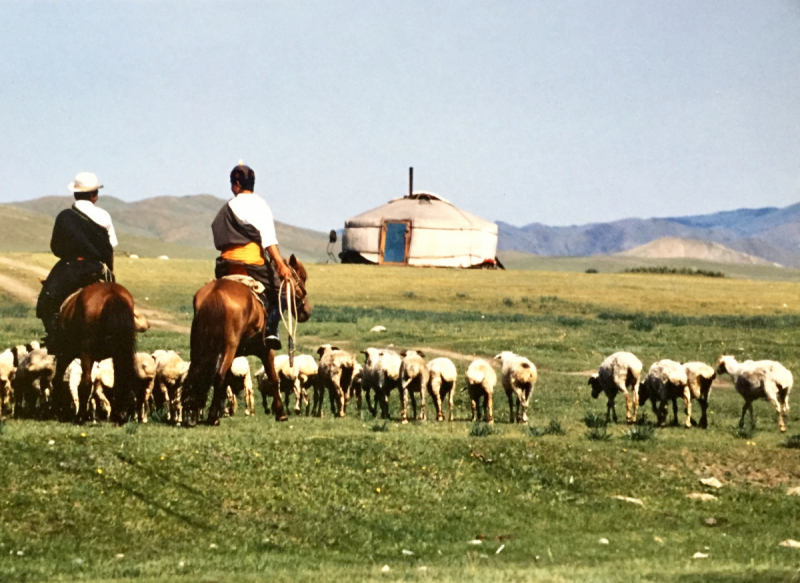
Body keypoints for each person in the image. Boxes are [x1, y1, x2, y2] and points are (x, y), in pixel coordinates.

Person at [211, 164, 292, 349]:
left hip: (227, 264)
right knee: (283, 291)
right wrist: (280, 264)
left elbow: (217, 235)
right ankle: (271, 329)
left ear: (237, 184)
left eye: (232, 184)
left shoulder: (227, 207)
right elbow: (269, 241)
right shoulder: (260, 205)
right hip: (252, 263)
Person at [36, 172, 117, 345]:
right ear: (94, 195)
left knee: (47, 300)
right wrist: (110, 273)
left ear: (75, 193)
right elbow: (109, 249)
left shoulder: (65, 217)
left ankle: (54, 338)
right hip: (98, 267)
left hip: (70, 267)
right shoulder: (104, 216)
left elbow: (56, 248)